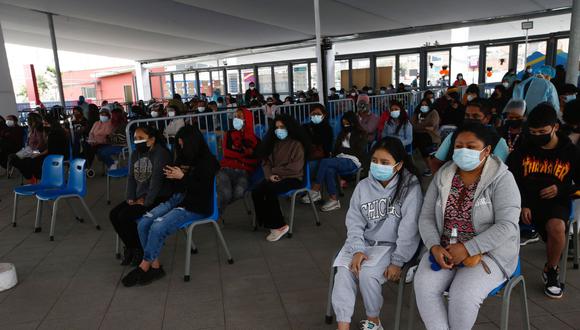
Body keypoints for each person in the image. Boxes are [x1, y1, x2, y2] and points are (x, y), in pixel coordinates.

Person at [414, 123, 521, 330]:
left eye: (471, 147)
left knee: (462, 295)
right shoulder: (444, 175)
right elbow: (426, 217)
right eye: (459, 146)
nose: (464, 151)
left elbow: (507, 225)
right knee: (424, 286)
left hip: (489, 253)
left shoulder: (502, 178)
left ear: (487, 150)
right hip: (444, 249)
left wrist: (468, 248)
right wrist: (434, 246)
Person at [331, 137, 422, 330]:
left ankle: (373, 321)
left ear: (398, 166)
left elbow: (409, 229)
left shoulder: (410, 188)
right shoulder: (363, 186)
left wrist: (398, 261)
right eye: (374, 161)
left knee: (367, 274)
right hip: (364, 244)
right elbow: (354, 221)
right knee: (343, 273)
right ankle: (343, 325)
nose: (378, 166)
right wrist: (357, 249)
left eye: (385, 162)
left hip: (392, 247)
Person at [122, 125, 220, 287]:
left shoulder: (208, 162)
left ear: (192, 143)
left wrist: (183, 177)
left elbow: (202, 190)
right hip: (177, 199)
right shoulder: (182, 158)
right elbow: (177, 188)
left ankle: (144, 265)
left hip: (196, 205)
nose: (180, 148)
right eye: (179, 144)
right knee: (144, 223)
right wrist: (172, 178)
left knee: (158, 227)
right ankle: (155, 266)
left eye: (183, 144)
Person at [507, 103, 580, 298]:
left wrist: (561, 188)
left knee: (557, 227)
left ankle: (551, 269)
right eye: (533, 131)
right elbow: (510, 178)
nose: (537, 135)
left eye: (542, 131)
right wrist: (522, 203)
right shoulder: (524, 149)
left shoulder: (570, 152)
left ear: (555, 127)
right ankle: (499, 267)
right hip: (523, 200)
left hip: (556, 202)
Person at [109, 126, 172, 266]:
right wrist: (130, 198)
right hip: (140, 196)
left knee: (125, 216)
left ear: (151, 140)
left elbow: (156, 181)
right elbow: (131, 177)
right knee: (114, 214)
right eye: (135, 139)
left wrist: (146, 202)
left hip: (158, 197)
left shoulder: (161, 154)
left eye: (140, 138)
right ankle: (131, 248)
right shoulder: (136, 154)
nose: (136, 142)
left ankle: (139, 250)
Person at [252, 114, 309, 241]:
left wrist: (274, 171)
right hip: (275, 177)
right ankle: (266, 221)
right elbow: (265, 162)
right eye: (276, 127)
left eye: (282, 127)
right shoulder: (273, 143)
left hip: (293, 178)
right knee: (256, 190)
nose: (279, 130)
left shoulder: (297, 145)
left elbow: (295, 167)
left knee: (271, 190)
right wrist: (270, 175)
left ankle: (279, 226)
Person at [301, 112, 367, 212]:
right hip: (339, 159)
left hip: (353, 161)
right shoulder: (342, 133)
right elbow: (336, 149)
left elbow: (358, 152)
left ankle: (315, 189)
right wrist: (341, 150)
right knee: (329, 169)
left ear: (353, 122)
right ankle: (333, 199)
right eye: (344, 123)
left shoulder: (361, 134)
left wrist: (342, 150)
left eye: (347, 123)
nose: (345, 125)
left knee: (325, 162)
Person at [432, 101, 509, 172]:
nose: (470, 119)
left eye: (476, 116)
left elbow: (499, 170)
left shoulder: (498, 142)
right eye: (467, 115)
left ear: (487, 118)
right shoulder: (453, 136)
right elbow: (436, 162)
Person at [217, 108, 259, 214]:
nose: (236, 119)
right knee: (226, 193)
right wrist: (245, 154)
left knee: (239, 193)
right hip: (226, 169)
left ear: (247, 119)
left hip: (244, 172)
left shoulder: (255, 140)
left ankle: (215, 207)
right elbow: (227, 153)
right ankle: (216, 213)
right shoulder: (229, 134)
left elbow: (255, 160)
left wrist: (237, 154)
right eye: (235, 116)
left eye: (239, 117)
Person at [12, 112, 67, 182]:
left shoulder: (55, 133)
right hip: (46, 152)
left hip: (55, 155)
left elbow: (49, 149)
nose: (43, 125)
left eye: (45, 123)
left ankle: (38, 178)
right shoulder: (51, 132)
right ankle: (35, 177)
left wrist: (36, 153)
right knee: (22, 159)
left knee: (30, 160)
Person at [411, 98, 441, 176]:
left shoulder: (433, 113)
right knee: (417, 142)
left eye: (426, 105)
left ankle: (431, 168)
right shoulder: (417, 112)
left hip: (430, 136)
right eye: (422, 105)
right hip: (417, 135)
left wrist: (419, 126)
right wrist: (424, 127)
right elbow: (413, 125)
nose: (424, 106)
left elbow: (431, 127)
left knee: (423, 144)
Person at [85, 109, 113, 176]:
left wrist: (97, 142)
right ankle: (86, 167)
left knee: (91, 150)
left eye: (104, 115)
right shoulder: (96, 123)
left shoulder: (110, 124)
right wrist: (91, 140)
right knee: (86, 148)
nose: (102, 116)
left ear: (108, 116)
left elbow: (107, 136)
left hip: (104, 143)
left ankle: (87, 168)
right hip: (94, 142)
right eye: (101, 114)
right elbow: (91, 133)